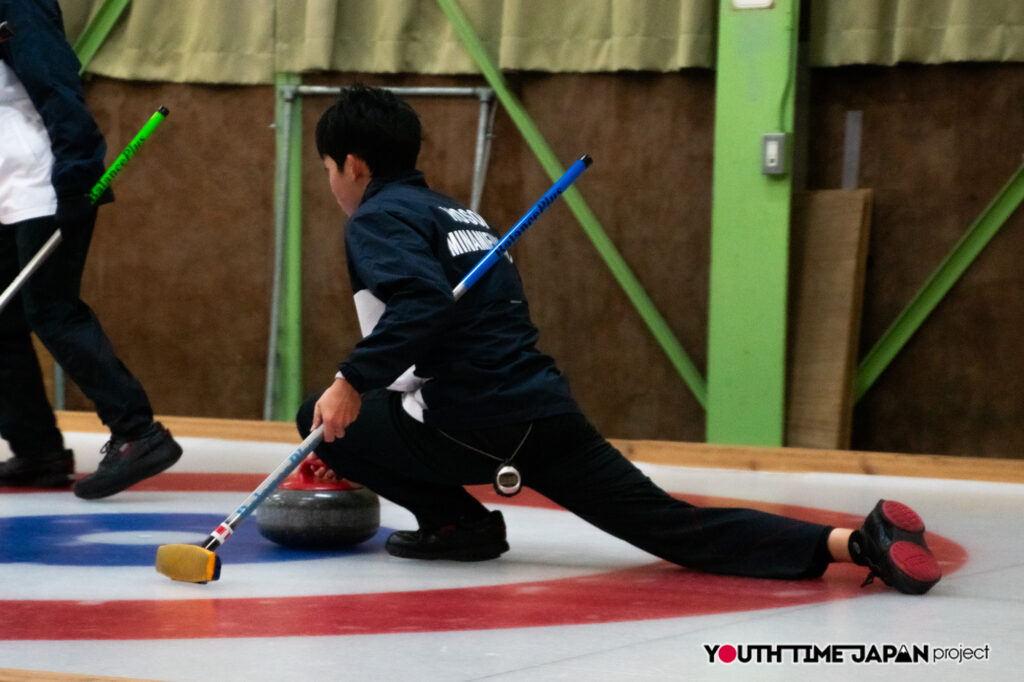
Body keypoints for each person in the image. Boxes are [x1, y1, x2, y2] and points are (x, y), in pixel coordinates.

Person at [296, 83, 941, 595]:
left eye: (327, 168)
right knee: (668, 522)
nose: (331, 184)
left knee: (314, 417)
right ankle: (858, 542)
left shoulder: (378, 217)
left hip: (471, 421)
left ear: (353, 165)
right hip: (542, 410)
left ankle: (455, 523)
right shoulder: (459, 213)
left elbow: (422, 302)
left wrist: (350, 382)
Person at [0, 0, 181, 498]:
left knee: (53, 311)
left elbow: (56, 83)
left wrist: (78, 176)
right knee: (4, 320)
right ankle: (37, 449)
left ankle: (138, 433)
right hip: (5, 193)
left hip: (45, 183)